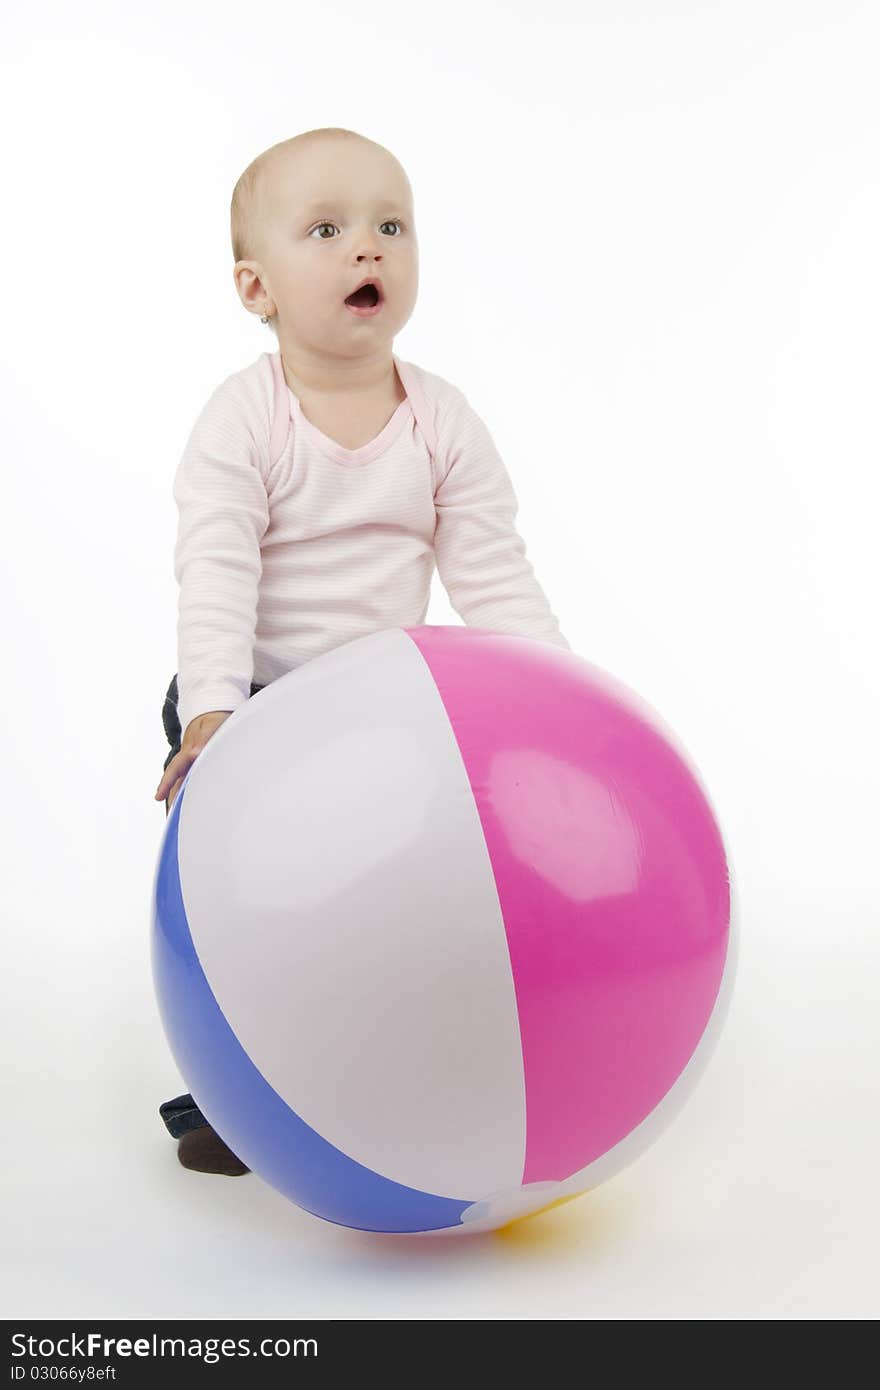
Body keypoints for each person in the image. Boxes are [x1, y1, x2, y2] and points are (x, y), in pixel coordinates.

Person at [154, 126, 571, 1175]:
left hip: (389, 716)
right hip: (256, 700)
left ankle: (393, 1074)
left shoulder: (441, 420)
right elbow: (215, 570)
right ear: (256, 287)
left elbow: (493, 573)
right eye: (328, 230)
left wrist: (560, 692)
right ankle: (238, 1088)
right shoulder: (245, 418)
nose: (367, 250)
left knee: (383, 908)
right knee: (263, 915)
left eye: (392, 226)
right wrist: (212, 711)